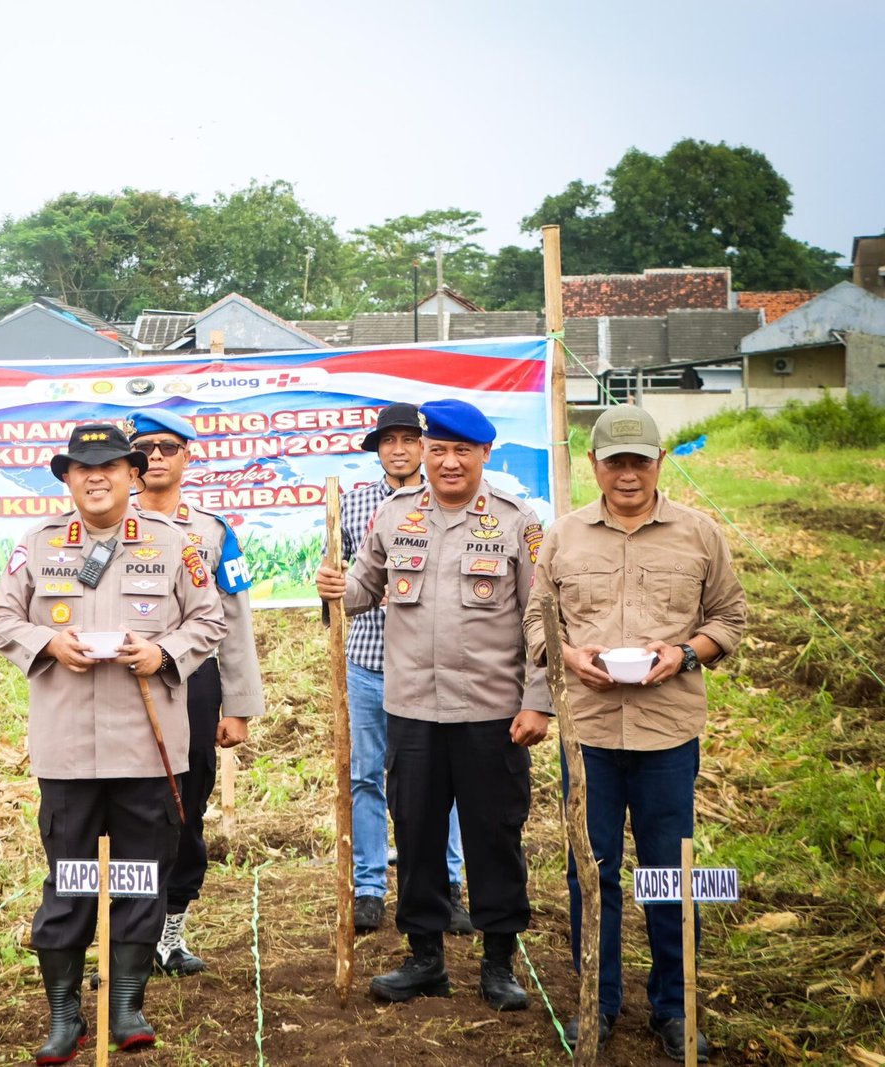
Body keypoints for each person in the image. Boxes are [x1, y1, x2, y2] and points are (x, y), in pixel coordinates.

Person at [0, 422, 224, 1063]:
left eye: (111, 467)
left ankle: (125, 1006)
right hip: (68, 749)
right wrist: (46, 642)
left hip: (147, 747)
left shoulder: (177, 544)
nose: (96, 478)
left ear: (132, 475)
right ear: (66, 478)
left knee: (140, 875)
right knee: (69, 878)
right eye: (81, 469)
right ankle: (65, 1016)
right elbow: (0, 618)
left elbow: (211, 619)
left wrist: (163, 650)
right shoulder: (36, 546)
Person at [523, 404, 745, 1061]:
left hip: (668, 733)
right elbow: (538, 622)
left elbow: (730, 616)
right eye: (614, 461)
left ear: (658, 462)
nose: (627, 473)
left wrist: (685, 653)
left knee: (673, 871)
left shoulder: (698, 533)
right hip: (586, 735)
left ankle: (676, 1006)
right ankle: (599, 999)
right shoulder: (563, 536)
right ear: (594, 464)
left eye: (639, 460)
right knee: (590, 872)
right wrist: (566, 655)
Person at [316, 399, 549, 1012]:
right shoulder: (395, 518)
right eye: (438, 450)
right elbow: (364, 589)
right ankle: (425, 959)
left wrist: (540, 703)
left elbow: (542, 621)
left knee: (494, 835)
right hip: (413, 710)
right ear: (424, 452)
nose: (448, 462)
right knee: (416, 833)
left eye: (461, 452)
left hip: (491, 713)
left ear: (483, 456)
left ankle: (498, 962)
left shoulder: (516, 523)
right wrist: (338, 587)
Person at [126, 410, 265, 975]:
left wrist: (239, 707)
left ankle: (170, 929)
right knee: (125, 807)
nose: (155, 457)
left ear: (187, 456)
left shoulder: (211, 532)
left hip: (193, 682)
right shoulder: (99, 524)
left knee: (187, 803)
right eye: (144, 449)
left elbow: (234, 619)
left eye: (167, 447)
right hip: (122, 683)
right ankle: (125, 935)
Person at [334, 403, 471, 936]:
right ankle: (370, 887)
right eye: (387, 441)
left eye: (408, 440)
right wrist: (338, 584)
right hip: (369, 661)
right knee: (365, 776)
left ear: (425, 446)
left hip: (432, 669)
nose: (398, 449)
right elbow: (340, 578)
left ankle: (448, 883)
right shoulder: (354, 505)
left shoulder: (449, 501)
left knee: (443, 782)